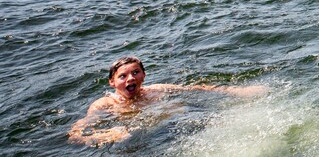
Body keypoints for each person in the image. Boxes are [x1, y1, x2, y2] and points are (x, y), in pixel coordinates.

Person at [68, 56, 266, 146]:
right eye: (123, 76)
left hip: (174, 124)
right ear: (112, 82)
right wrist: (107, 136)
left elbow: (197, 88)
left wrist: (237, 91)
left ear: (144, 75)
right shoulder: (104, 105)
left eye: (136, 73)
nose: (131, 79)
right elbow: (76, 133)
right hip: (139, 137)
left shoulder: (156, 90)